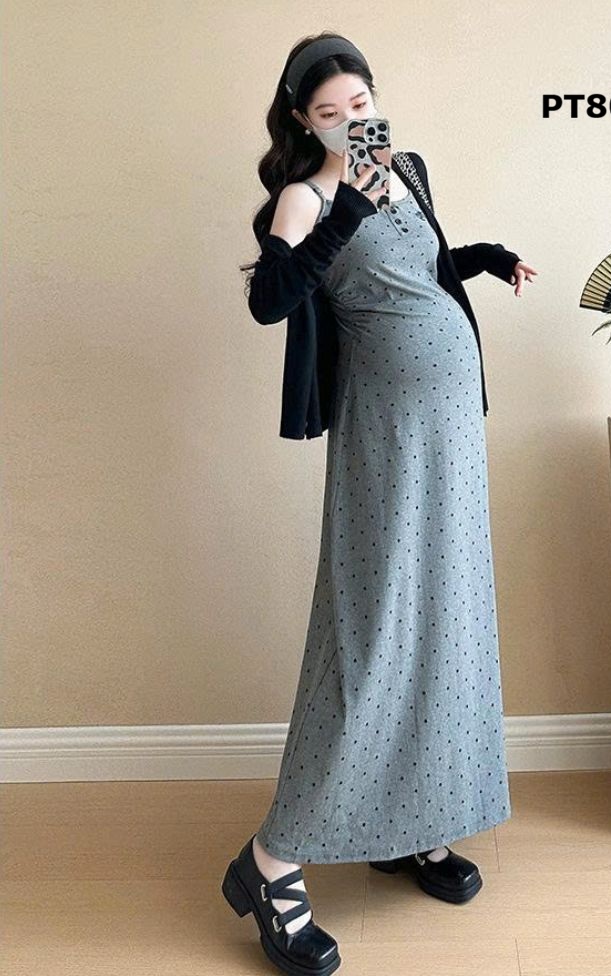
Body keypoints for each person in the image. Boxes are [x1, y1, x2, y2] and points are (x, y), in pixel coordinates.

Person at [222, 31, 537, 976]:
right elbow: (273, 299)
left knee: (445, 617)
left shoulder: (412, 170)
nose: (351, 121)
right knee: (379, 630)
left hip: (452, 435)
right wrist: (348, 201)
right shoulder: (305, 198)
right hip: (386, 437)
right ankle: (270, 864)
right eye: (330, 112)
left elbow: (418, 269)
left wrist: (482, 257)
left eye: (360, 104)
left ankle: (411, 821)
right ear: (300, 119)